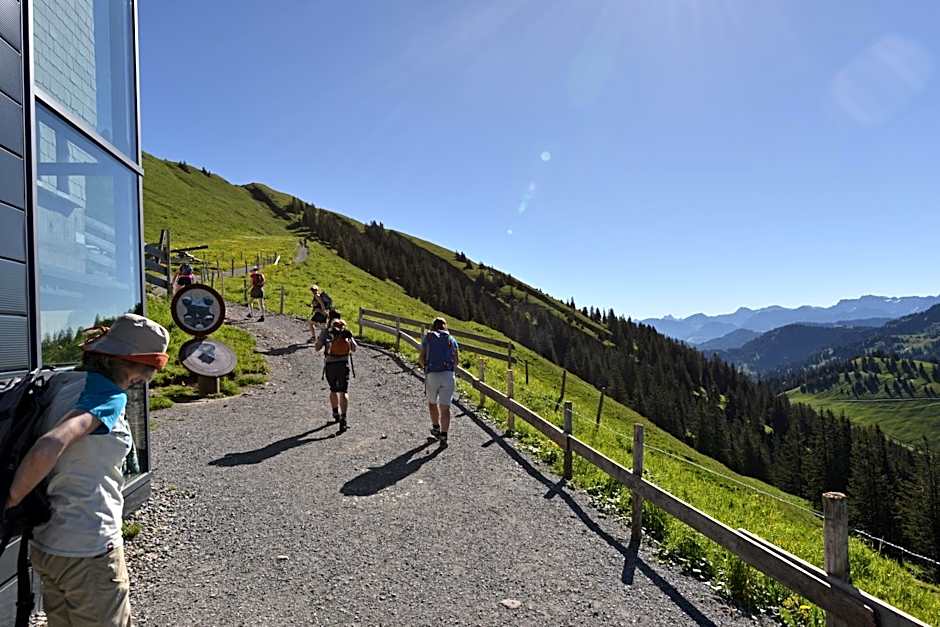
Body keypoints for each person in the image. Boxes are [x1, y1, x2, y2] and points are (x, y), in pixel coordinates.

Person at [4, 314, 170, 627]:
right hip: (90, 548)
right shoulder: (107, 397)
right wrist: (9, 499)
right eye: (146, 368)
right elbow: (52, 442)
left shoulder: (61, 383)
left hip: (47, 545)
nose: (145, 378)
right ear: (125, 362)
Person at [419, 317, 459, 447]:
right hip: (448, 375)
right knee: (445, 408)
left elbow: (421, 358)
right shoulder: (451, 340)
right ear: (445, 326)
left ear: (433, 326)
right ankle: (444, 437)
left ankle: (436, 428)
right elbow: (456, 360)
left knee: (432, 403)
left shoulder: (428, 338)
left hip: (432, 375)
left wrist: (424, 364)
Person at [314, 314, 357, 431]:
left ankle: (335, 413)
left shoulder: (326, 333)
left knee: (333, 390)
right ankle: (344, 418)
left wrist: (319, 340)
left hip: (330, 365)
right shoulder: (346, 332)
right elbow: (354, 348)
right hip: (343, 365)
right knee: (343, 391)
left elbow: (317, 348)